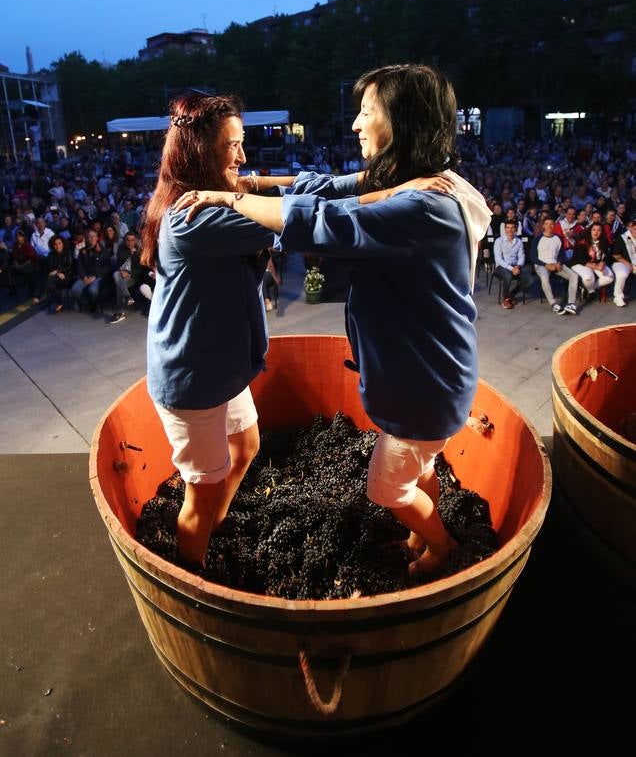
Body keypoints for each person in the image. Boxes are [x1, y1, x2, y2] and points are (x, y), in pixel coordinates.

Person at [175, 64, 491, 577]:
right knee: (422, 465)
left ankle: (442, 548)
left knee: (386, 487)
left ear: (402, 122)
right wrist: (253, 181)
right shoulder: (412, 180)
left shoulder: (424, 205)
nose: (356, 124)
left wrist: (230, 197)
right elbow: (324, 188)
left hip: (424, 386)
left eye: (367, 112)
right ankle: (419, 530)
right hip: (430, 379)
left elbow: (325, 222)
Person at [140, 93, 296, 568]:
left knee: (246, 446)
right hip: (193, 380)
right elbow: (300, 217)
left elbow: (273, 196)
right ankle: (196, 577)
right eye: (232, 146)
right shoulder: (197, 217)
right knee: (200, 493)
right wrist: (379, 193)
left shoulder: (214, 202)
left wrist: (248, 184)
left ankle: (215, 522)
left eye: (242, 143)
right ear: (200, 153)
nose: (243, 158)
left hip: (219, 366)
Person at [530, 216, 580, 316]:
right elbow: (533, 257)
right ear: (543, 226)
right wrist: (545, 265)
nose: (549, 226)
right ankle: (553, 304)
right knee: (545, 279)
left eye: (551, 224)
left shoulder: (558, 238)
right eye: (547, 224)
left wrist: (559, 263)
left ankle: (571, 303)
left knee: (574, 276)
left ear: (554, 225)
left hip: (556, 264)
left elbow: (562, 255)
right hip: (541, 264)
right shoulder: (537, 239)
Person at [493, 220, 534, 309]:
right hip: (502, 267)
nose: (510, 230)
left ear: (515, 229)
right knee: (508, 276)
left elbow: (521, 256)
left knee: (530, 279)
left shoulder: (518, 241)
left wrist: (518, 266)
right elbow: (499, 259)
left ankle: (512, 294)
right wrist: (512, 269)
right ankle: (505, 299)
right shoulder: (499, 241)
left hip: (516, 266)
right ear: (505, 229)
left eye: (512, 228)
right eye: (508, 228)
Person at [571, 222, 614, 299]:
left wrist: (602, 263)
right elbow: (581, 259)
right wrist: (596, 268)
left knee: (609, 278)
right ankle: (591, 291)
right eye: (594, 230)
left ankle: (588, 288)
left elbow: (607, 255)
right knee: (588, 278)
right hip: (581, 263)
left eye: (599, 230)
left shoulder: (604, 241)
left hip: (596, 263)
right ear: (590, 230)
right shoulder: (583, 242)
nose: (596, 232)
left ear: (601, 232)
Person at [611, 217, 636, 308]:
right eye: (634, 229)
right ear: (631, 228)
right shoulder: (622, 238)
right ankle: (618, 297)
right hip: (621, 262)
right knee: (622, 274)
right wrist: (628, 264)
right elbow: (616, 255)